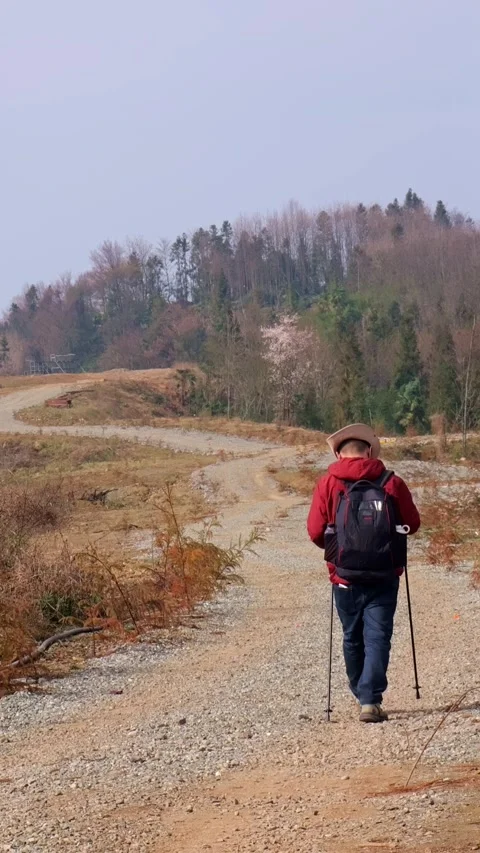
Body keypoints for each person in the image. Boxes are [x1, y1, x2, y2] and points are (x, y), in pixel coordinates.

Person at [307, 423, 420, 723]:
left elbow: (315, 531)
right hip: (384, 575)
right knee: (378, 636)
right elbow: (413, 523)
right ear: (369, 450)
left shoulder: (327, 484)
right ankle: (370, 700)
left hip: (344, 578)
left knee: (351, 636)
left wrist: (338, 552)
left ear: (339, 453)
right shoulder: (391, 483)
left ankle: (361, 693)